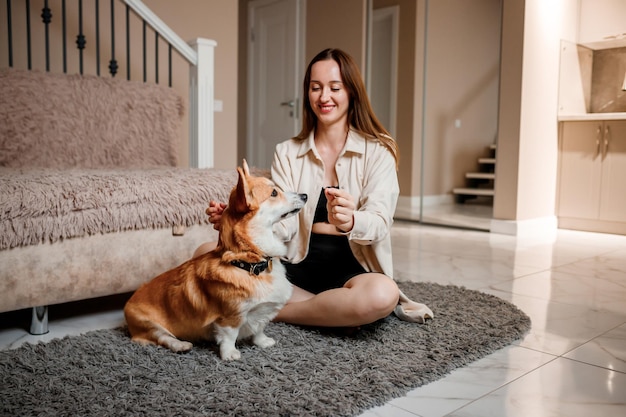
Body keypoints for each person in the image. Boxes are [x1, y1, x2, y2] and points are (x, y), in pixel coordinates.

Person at [195, 48, 432, 328]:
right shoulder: (287, 152)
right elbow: (282, 225)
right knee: (206, 252)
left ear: (351, 92)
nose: (324, 97)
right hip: (294, 264)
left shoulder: (379, 150)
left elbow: (380, 222)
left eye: (335, 87)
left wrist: (352, 219)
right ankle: (325, 310)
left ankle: (270, 309)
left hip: (353, 269)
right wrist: (238, 220)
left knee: (383, 294)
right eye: (315, 87)